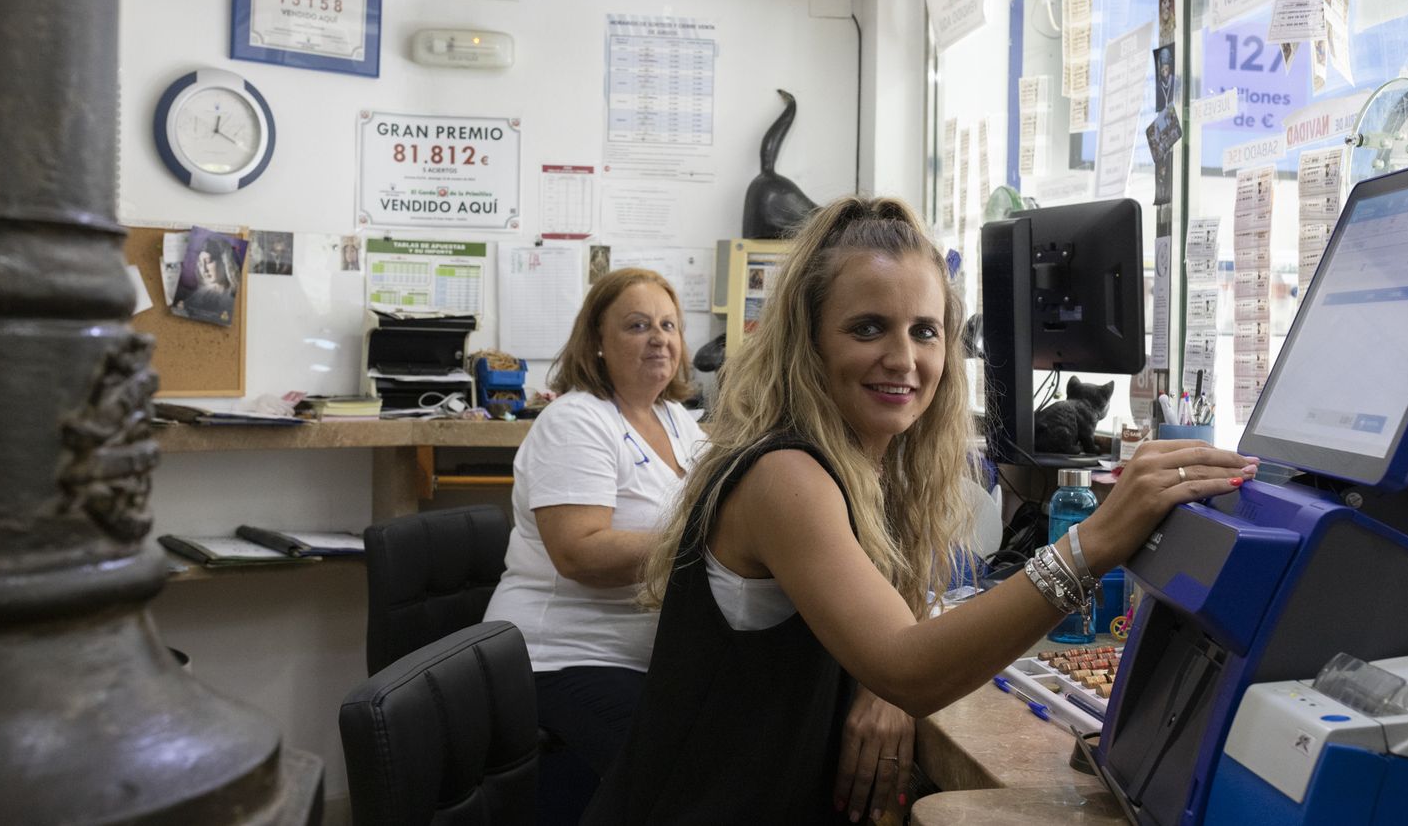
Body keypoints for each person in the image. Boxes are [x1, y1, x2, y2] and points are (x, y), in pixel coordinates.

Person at [583, 197, 1257, 824]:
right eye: (868, 328)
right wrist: (1093, 544)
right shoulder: (782, 475)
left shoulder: (869, 464)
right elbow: (910, 664)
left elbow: (890, 638)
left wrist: (882, 689)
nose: (903, 359)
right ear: (808, 341)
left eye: (925, 331)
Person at [482, 267, 708, 822]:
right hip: (557, 658)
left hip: (644, 657)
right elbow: (580, 554)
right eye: (637, 325)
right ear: (598, 344)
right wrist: (705, 540)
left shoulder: (678, 420)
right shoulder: (575, 422)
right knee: (682, 775)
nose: (659, 338)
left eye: (668, 325)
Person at [175, 236, 239, 323]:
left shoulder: (235, 300)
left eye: (208, 262)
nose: (204, 269)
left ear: (224, 262)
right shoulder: (198, 295)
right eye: (201, 264)